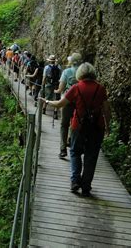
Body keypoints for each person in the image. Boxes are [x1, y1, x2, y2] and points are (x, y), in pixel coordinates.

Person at [43, 62, 111, 197]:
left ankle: (75, 181)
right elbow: (107, 110)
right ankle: (86, 186)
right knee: (91, 156)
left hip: (78, 126)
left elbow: (60, 104)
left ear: (79, 74)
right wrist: (107, 126)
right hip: (97, 127)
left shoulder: (76, 87)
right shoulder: (101, 89)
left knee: (75, 152)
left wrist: (47, 101)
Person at [55, 52, 82, 159]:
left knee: (64, 124)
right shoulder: (83, 72)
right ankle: (71, 140)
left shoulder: (67, 71)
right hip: (80, 101)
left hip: (67, 100)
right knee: (75, 122)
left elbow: (61, 88)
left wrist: (56, 91)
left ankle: (62, 149)